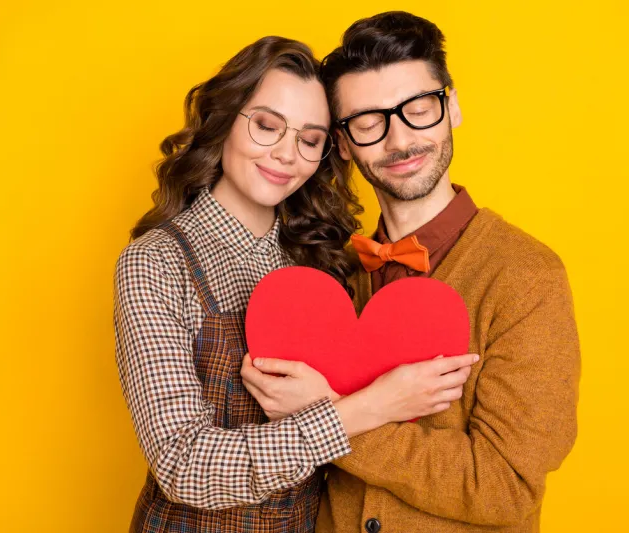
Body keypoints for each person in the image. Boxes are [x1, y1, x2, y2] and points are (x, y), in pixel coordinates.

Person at [114, 35, 478, 533]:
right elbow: (184, 465)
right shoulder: (157, 262)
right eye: (266, 125)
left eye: (308, 139)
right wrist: (368, 407)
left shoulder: (326, 261)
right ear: (223, 122)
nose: (286, 154)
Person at [245, 12, 581, 533]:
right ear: (342, 142)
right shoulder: (332, 272)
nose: (399, 140)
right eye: (368, 121)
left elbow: (505, 487)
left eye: (418, 109)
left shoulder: (527, 277)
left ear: (452, 107)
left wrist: (331, 415)